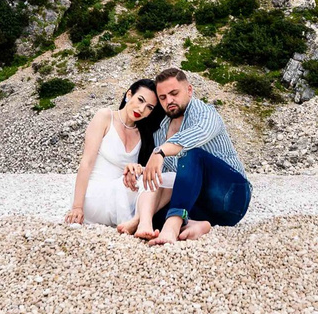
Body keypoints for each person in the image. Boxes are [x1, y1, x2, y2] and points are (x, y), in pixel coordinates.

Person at [138, 67, 250, 244]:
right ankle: (200, 225)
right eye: (163, 97)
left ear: (189, 90)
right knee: (155, 212)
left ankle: (173, 225)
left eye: (174, 93)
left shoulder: (205, 113)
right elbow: (167, 176)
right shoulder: (160, 132)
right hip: (200, 205)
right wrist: (140, 171)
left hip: (232, 195)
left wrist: (159, 152)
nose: (170, 100)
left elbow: (198, 134)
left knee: (192, 154)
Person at [65, 79, 170, 234]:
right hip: (95, 195)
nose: (141, 109)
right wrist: (77, 207)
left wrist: (138, 169)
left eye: (149, 107)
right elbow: (86, 162)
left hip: (124, 195)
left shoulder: (144, 134)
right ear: (129, 94)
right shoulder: (105, 116)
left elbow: (144, 171)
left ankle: (137, 221)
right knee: (156, 184)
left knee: (171, 179)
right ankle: (141, 221)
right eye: (140, 100)